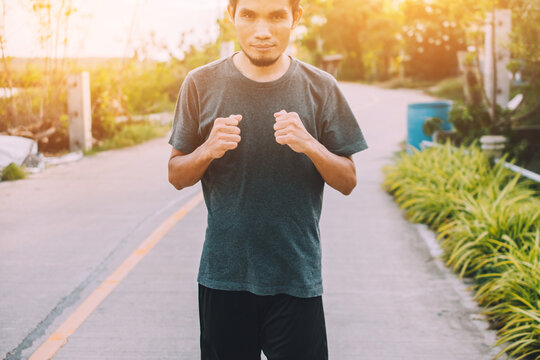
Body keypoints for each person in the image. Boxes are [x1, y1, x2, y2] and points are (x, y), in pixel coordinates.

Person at [167, 0, 368, 358]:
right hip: (224, 278)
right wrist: (208, 149)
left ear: (296, 18)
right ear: (232, 16)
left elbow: (348, 179)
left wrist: (310, 144)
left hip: (296, 279)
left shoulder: (321, 87)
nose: (262, 31)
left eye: (277, 16)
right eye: (249, 15)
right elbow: (177, 175)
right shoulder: (200, 83)